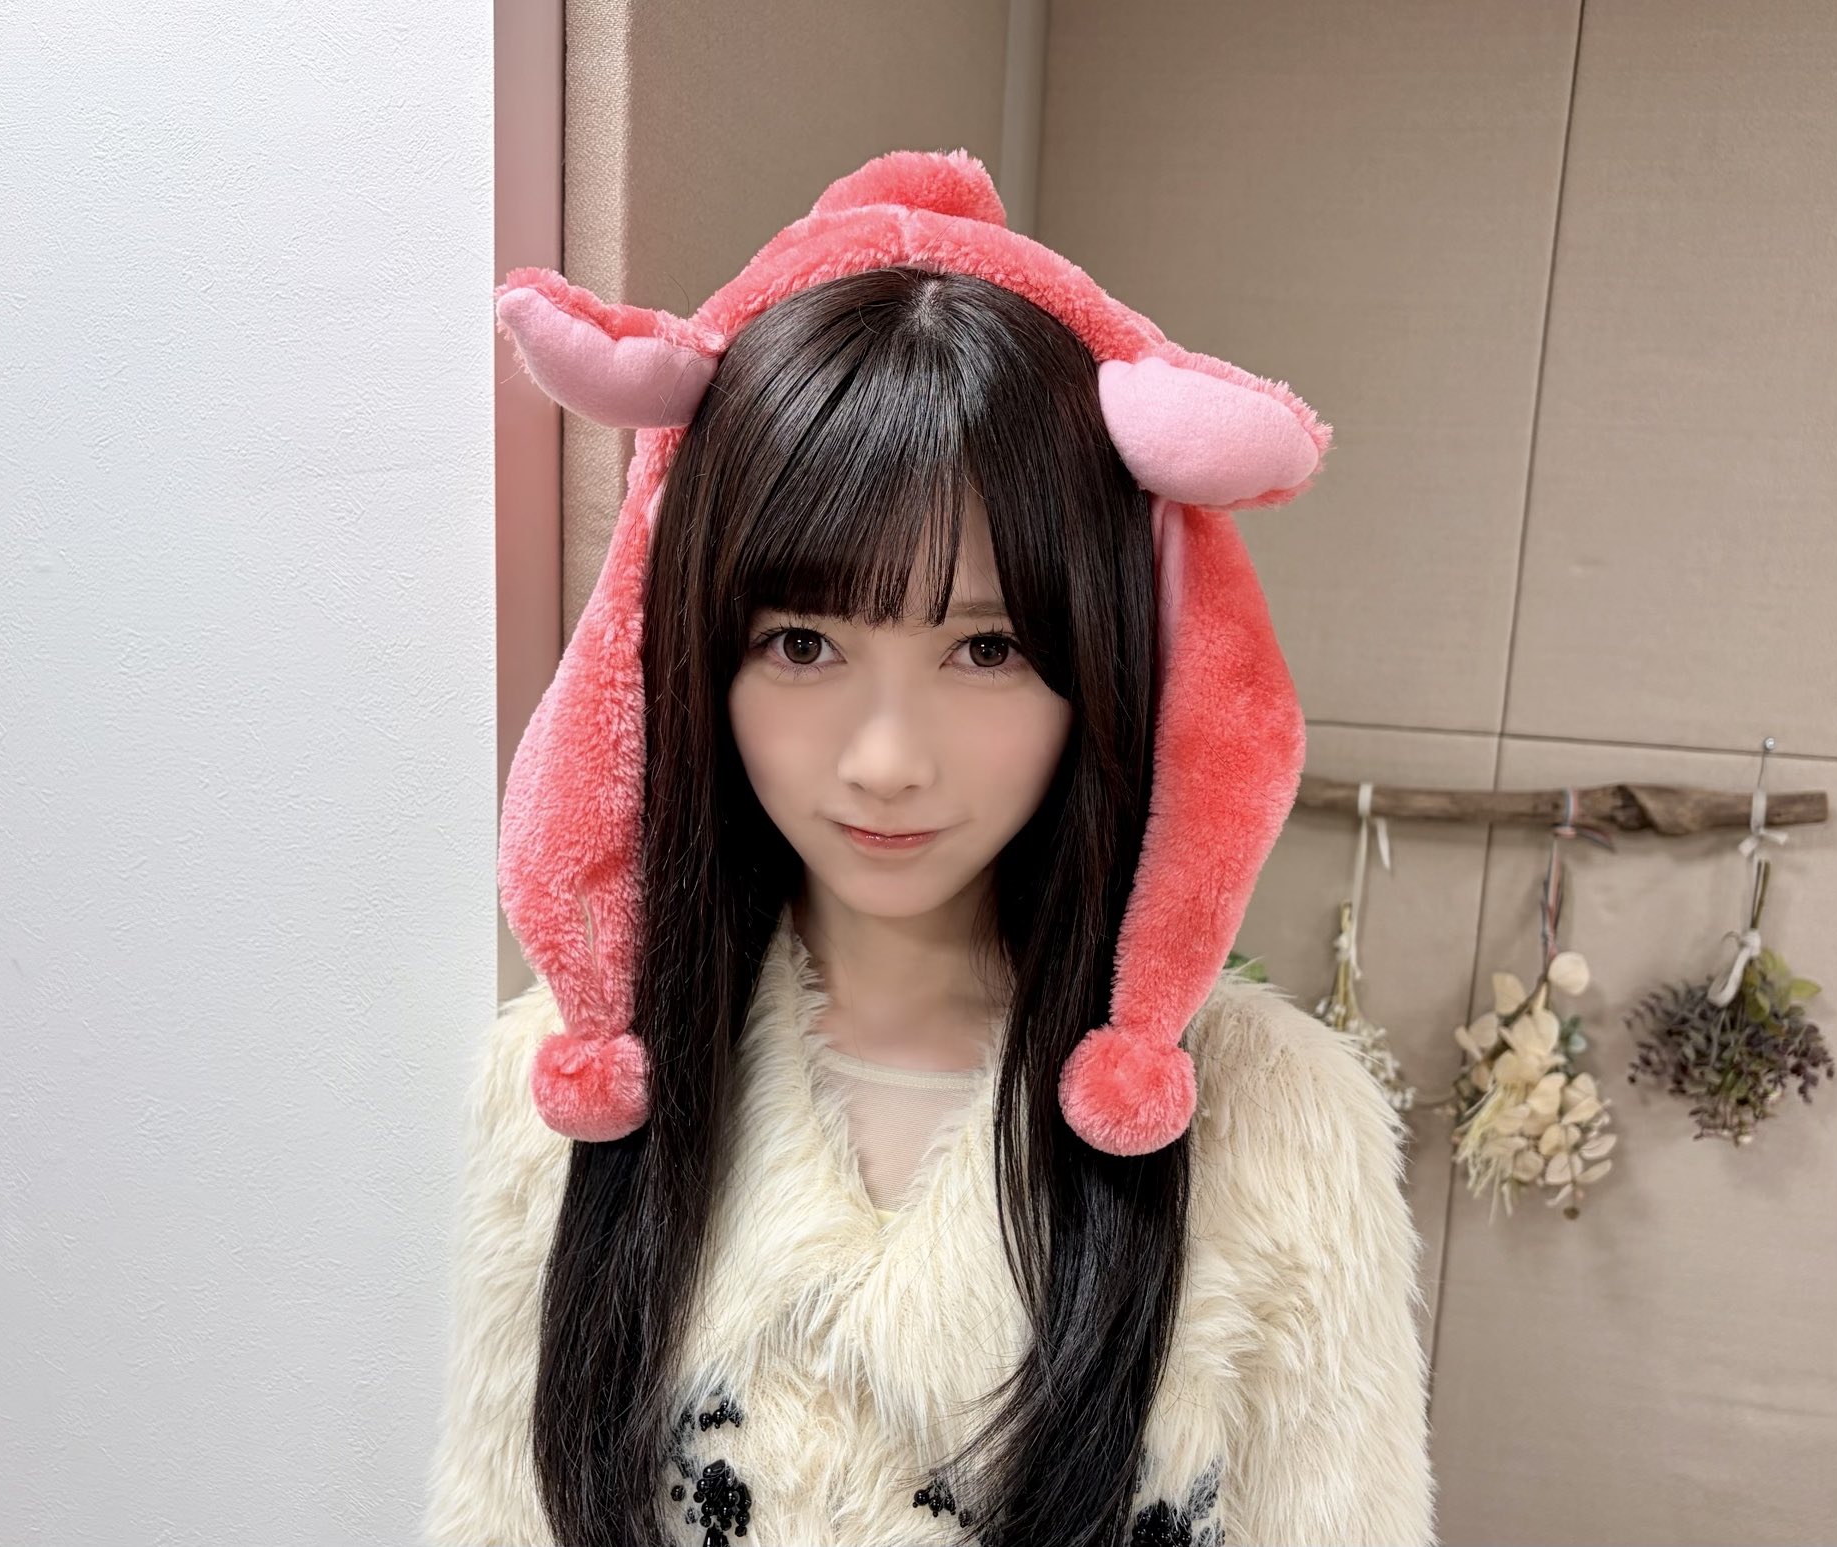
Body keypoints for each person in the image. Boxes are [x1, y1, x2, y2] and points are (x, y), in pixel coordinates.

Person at [425, 149, 1435, 1547]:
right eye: (802, 644)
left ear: (1105, 665)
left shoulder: (1277, 1126)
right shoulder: (567, 1091)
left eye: (986, 648)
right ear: (689, 659)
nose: (887, 757)